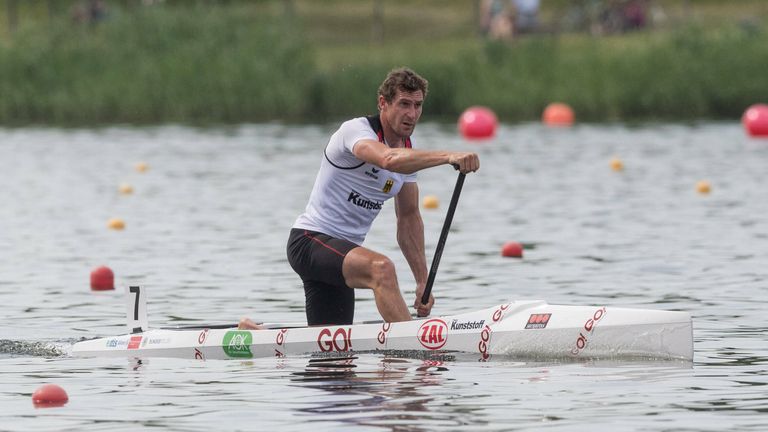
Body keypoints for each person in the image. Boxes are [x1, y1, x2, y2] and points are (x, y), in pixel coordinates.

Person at [239, 67, 479, 329]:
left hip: (340, 253)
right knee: (381, 269)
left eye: (418, 105)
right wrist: (448, 156)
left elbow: (408, 219)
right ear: (383, 103)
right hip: (309, 241)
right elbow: (388, 159)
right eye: (404, 104)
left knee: (332, 353)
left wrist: (421, 280)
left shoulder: (407, 153)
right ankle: (416, 345)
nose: (412, 114)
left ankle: (254, 335)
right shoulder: (356, 131)